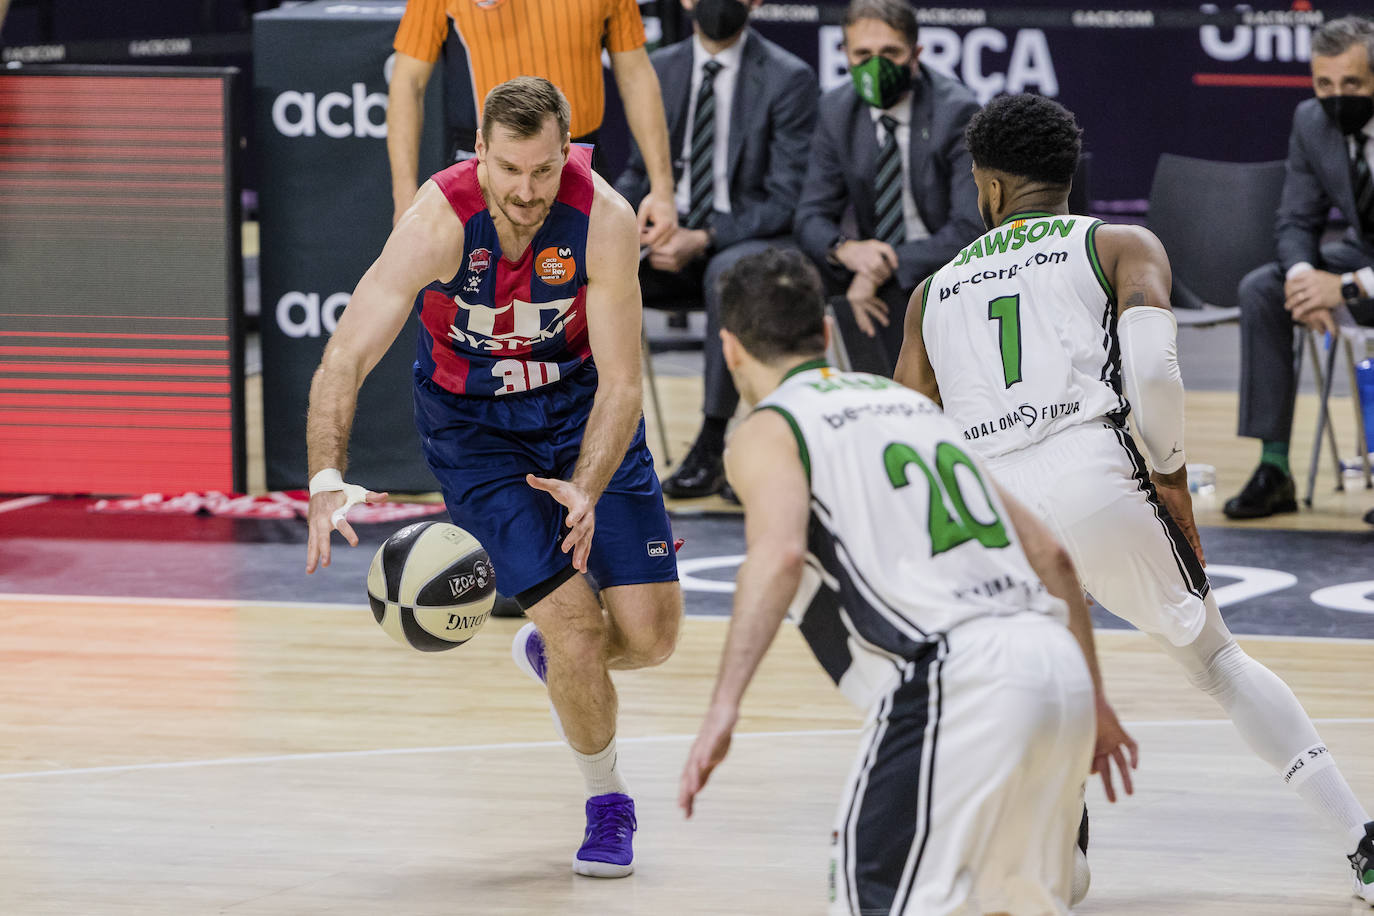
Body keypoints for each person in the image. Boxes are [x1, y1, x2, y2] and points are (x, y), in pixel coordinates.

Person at [894, 92, 1374, 905]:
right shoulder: (1118, 243)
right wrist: (1173, 475)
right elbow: (1153, 371)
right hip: (1094, 477)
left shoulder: (930, 293)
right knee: (1216, 662)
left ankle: (1059, 850)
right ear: (1066, 176)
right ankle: (1363, 847)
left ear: (989, 189)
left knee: (1037, 683)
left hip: (992, 507)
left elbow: (907, 434)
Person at [678, 247, 1136, 915]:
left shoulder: (769, 430)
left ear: (730, 349)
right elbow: (1054, 558)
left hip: (953, 682)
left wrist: (722, 708)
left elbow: (776, 558)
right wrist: (1093, 700)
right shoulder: (909, 406)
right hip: (1054, 667)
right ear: (827, 332)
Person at [304, 77, 683, 878]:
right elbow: (346, 353)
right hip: (474, 432)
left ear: (566, 151)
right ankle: (607, 801)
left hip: (580, 411)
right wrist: (325, 472)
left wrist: (586, 482)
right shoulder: (437, 222)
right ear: (480, 152)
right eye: (510, 169)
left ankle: (555, 662)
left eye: (544, 170)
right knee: (578, 629)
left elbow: (621, 381)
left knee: (650, 638)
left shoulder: (603, 218)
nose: (526, 189)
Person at [615, 0, 818, 499]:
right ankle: (597, 438)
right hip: (664, 233)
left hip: (741, 239)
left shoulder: (789, 78)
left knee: (729, 275)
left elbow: (786, 198)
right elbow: (639, 171)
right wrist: (629, 223)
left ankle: (711, 442)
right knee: (589, 270)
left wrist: (702, 237)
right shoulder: (659, 68)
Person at [1224, 16, 1374, 519]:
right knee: (1263, 288)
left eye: (1351, 84)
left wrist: (1349, 288)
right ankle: (1274, 469)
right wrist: (1303, 282)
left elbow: (1351, 285)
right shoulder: (1312, 121)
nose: (1337, 97)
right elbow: (1295, 218)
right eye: (1324, 83)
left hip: (1363, 270)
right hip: (1363, 252)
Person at [387, 0, 677, 246]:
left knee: (593, 300)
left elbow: (636, 77)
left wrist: (663, 190)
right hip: (488, 165)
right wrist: (404, 201)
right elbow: (407, 83)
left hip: (576, 160)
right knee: (480, 304)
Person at [793, 0, 982, 377]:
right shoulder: (836, 110)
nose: (875, 66)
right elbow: (810, 216)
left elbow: (970, 229)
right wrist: (845, 251)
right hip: (868, 266)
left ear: (916, 55)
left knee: (895, 305)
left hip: (941, 266)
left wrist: (880, 267)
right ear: (845, 55)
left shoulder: (956, 111)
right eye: (863, 53)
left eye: (890, 52)